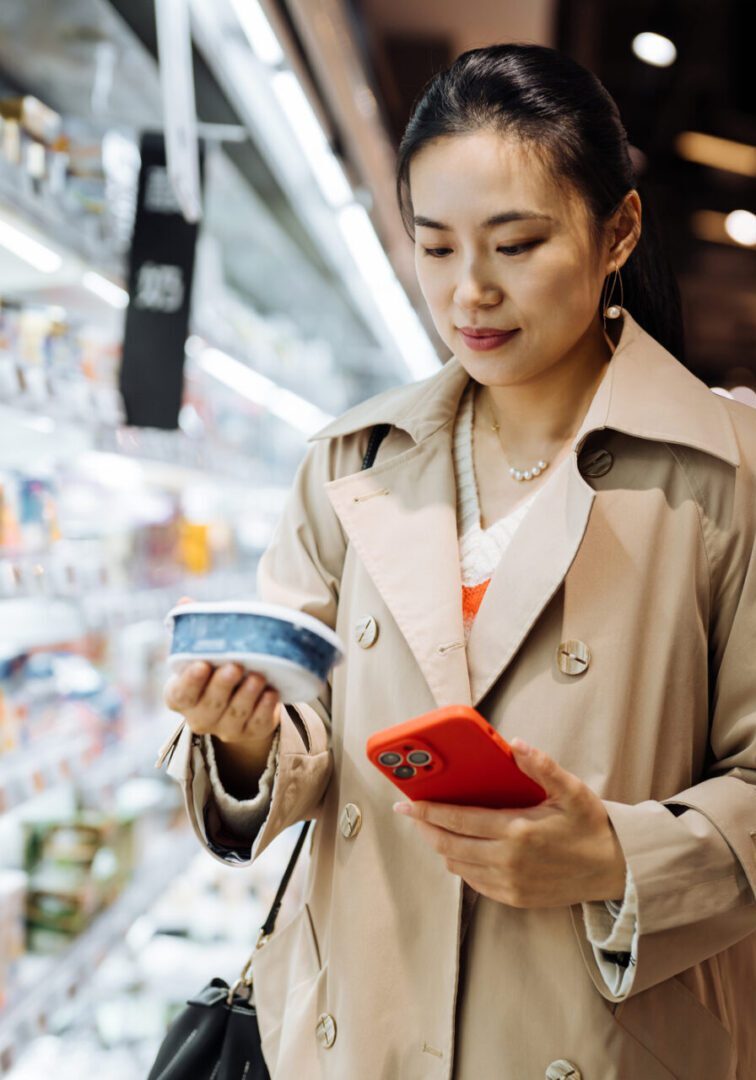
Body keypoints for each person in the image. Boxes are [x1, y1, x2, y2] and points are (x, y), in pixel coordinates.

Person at [160, 42, 756, 1080]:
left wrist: (616, 858)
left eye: (516, 244)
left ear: (617, 231)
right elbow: (306, 743)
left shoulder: (726, 475)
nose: (469, 292)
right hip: (356, 1038)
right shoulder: (352, 464)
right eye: (435, 248)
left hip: (602, 1036)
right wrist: (247, 742)